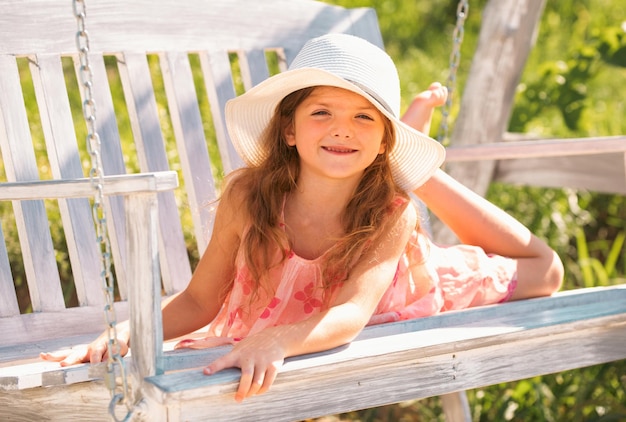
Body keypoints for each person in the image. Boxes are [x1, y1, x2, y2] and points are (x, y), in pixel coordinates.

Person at [42, 33, 564, 402]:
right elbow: (201, 299)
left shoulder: (390, 212)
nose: (342, 129)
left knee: (545, 270)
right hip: (320, 297)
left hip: (394, 290)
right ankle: (403, 145)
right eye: (322, 113)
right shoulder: (249, 196)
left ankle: (413, 162)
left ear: (380, 140)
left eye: (364, 118)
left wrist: (281, 338)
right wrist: (135, 332)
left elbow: (351, 315)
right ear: (289, 130)